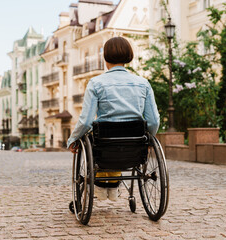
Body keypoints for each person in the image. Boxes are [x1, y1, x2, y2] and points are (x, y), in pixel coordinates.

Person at [67, 37, 160, 201]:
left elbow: (86, 121)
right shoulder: (143, 83)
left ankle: (102, 188)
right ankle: (112, 188)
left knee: (97, 140)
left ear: (105, 57)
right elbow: (153, 121)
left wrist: (73, 139)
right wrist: (147, 140)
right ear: (129, 56)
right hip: (135, 144)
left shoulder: (96, 83)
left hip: (105, 144)